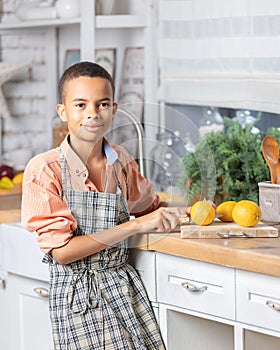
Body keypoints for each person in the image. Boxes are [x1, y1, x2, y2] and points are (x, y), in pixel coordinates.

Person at [21, 61, 187, 350]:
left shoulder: (121, 161)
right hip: (79, 300)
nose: (93, 114)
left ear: (114, 108)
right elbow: (63, 252)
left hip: (124, 289)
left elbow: (150, 208)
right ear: (63, 112)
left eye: (102, 104)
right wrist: (135, 225)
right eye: (81, 105)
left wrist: (186, 211)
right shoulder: (45, 169)